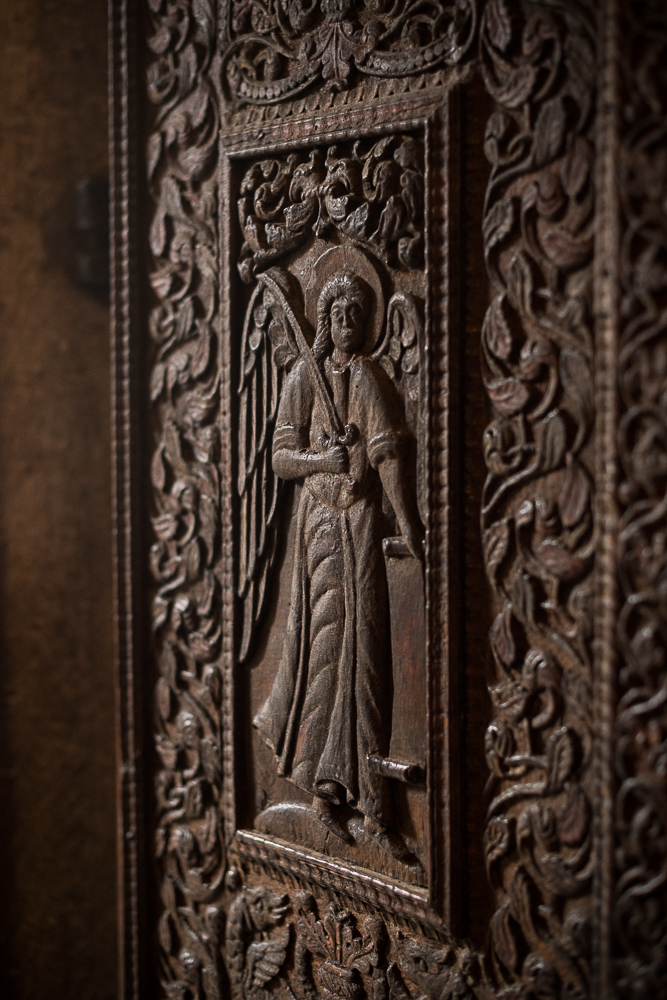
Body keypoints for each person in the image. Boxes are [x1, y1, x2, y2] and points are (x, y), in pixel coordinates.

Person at [253, 270, 422, 861]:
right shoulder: (305, 377)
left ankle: (375, 808)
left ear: (366, 323)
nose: (347, 322)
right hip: (321, 528)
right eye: (338, 313)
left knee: (366, 653)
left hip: (361, 524)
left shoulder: (368, 377)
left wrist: (408, 522)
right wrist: (322, 460)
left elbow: (386, 453)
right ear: (324, 321)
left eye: (356, 313)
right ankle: (324, 796)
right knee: (325, 650)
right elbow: (281, 458)